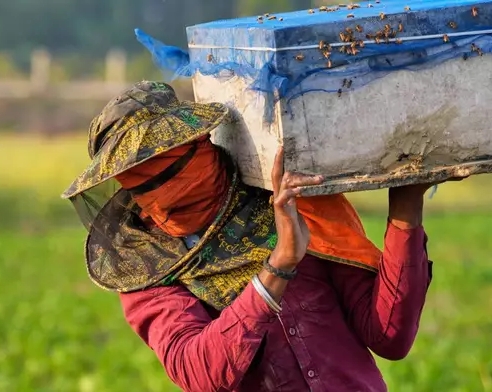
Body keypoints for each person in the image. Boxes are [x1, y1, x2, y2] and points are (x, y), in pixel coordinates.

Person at [63, 81, 440, 392]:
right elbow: (199, 372)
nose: (166, 192)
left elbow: (390, 335)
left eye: (173, 165)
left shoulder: (290, 201)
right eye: (145, 182)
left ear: (203, 145)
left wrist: (406, 210)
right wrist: (279, 265)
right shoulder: (144, 266)